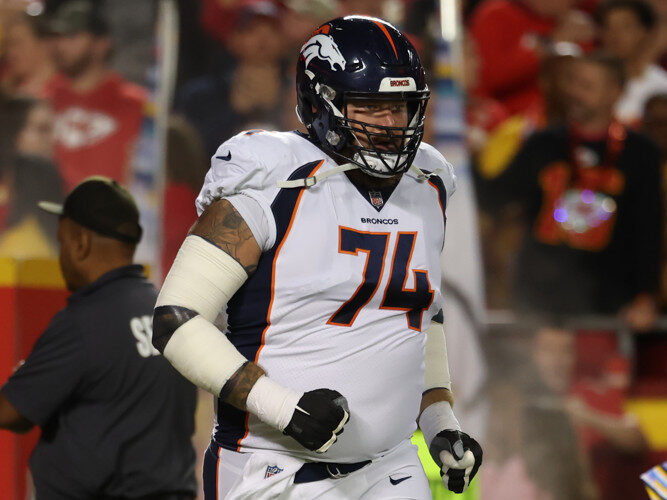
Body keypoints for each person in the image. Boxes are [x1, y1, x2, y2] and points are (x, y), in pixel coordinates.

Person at [154, 15, 483, 499]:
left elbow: (418, 317)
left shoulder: (428, 182)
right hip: (275, 470)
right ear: (320, 102)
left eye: (402, 107)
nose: (392, 124)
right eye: (372, 106)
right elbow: (177, 320)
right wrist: (285, 409)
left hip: (390, 467)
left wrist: (439, 421)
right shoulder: (271, 178)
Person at [0, 177, 197, 499]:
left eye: (62, 242)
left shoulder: (83, 320)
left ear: (80, 242)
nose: (61, 255)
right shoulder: (171, 313)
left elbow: (11, 413)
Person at [479, 52, 662, 326]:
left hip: (610, 304)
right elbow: (495, 198)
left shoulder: (641, 153)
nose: (575, 93)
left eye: (587, 86)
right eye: (573, 82)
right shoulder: (542, 144)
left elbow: (648, 230)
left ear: (615, 92)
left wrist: (645, 296)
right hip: (538, 300)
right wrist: (462, 157)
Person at [45, 0, 147, 189]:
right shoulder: (43, 100)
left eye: (72, 36)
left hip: (112, 212)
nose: (61, 45)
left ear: (101, 44)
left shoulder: (136, 104)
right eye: (58, 37)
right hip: (50, 212)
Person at [598, 0, 667, 127]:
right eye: (608, 27)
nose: (614, 36)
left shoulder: (661, 86)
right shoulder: (588, 81)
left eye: (625, 27)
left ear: (647, 33)